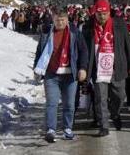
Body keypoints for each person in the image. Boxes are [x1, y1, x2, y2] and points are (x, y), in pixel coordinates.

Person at [82, 0, 130, 136]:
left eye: (105, 14)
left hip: (116, 66)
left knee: (119, 96)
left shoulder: (119, 24)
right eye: (99, 14)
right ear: (95, 13)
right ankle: (104, 125)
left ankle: (115, 114)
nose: (102, 17)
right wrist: (84, 68)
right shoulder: (88, 26)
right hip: (98, 69)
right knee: (100, 99)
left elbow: (128, 45)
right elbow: (84, 49)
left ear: (109, 12)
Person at [33, 10, 88, 142]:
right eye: (57, 20)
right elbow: (39, 51)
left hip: (70, 75)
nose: (60, 22)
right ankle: (51, 129)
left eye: (63, 20)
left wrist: (83, 68)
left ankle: (67, 129)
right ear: (53, 19)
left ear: (67, 20)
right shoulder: (47, 33)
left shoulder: (75, 33)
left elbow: (83, 51)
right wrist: (36, 68)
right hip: (51, 74)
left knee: (69, 104)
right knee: (51, 103)